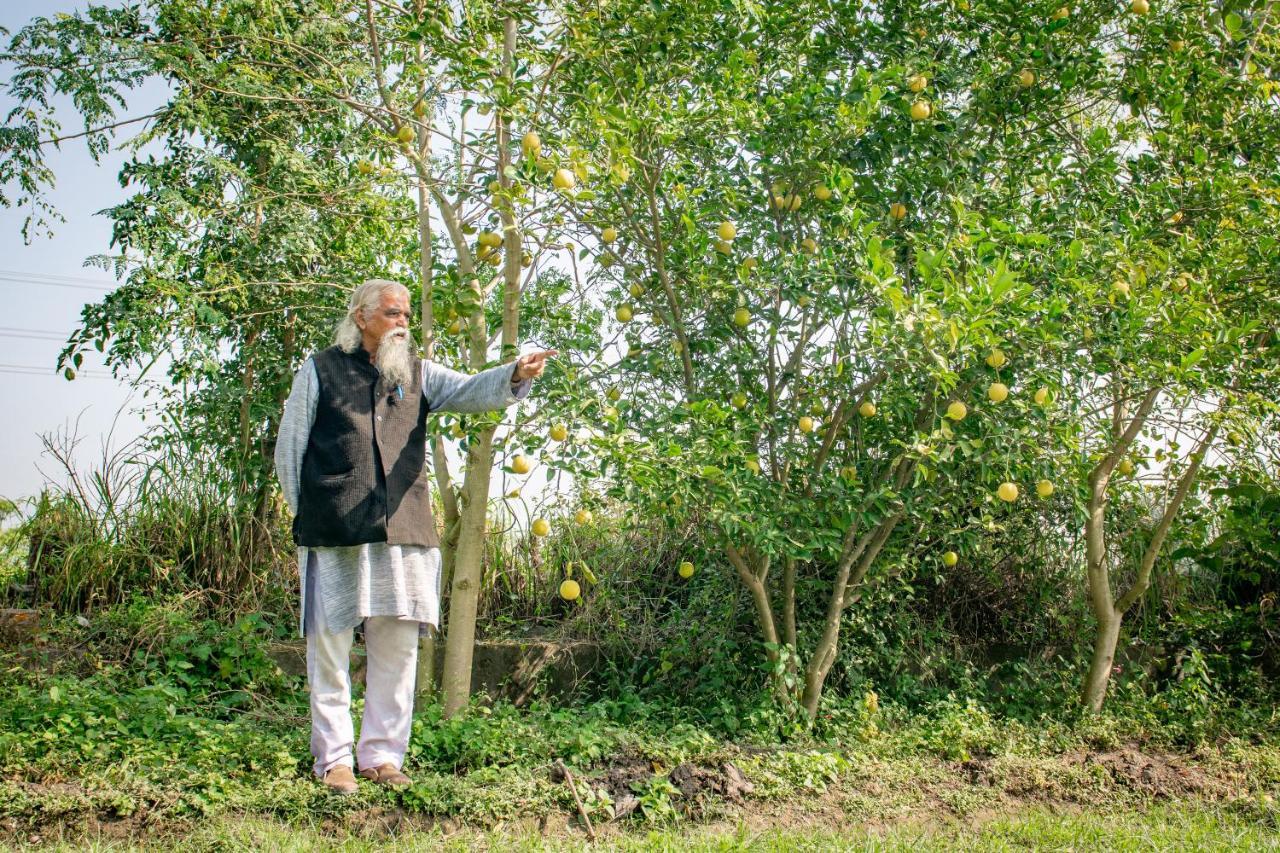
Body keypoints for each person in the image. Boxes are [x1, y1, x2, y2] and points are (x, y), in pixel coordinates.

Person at [274, 278, 554, 794]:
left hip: (404, 535)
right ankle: (333, 761)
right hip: (335, 535)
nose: (402, 322)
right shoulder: (319, 370)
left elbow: (471, 389)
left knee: (398, 650)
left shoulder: (418, 373)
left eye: (406, 314)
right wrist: (310, 515)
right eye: (391, 314)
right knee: (330, 650)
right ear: (360, 317)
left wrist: (514, 373)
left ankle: (381, 757)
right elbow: (289, 450)